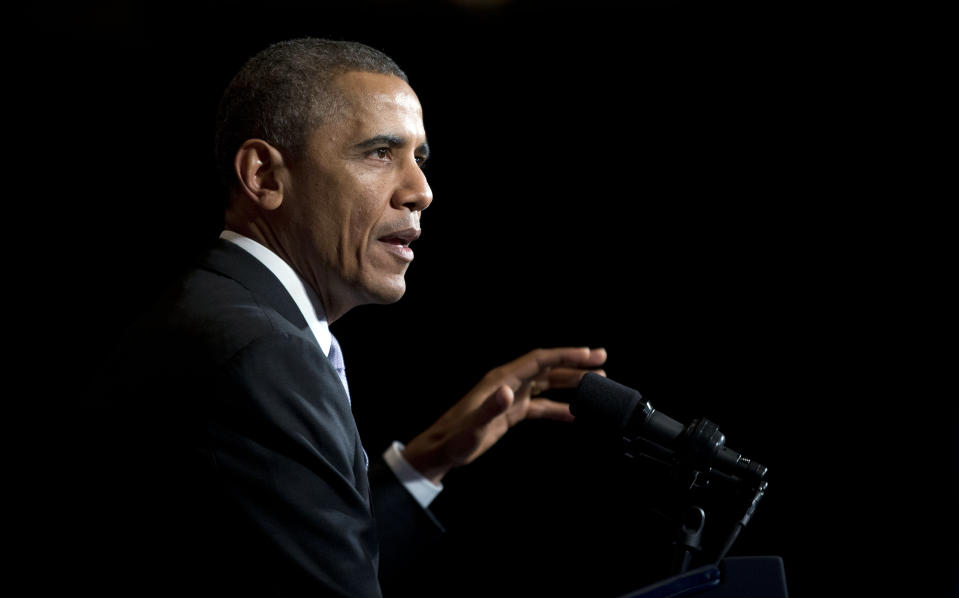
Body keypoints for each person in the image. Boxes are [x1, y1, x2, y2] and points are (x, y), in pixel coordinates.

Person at [88, 38, 607, 597]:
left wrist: (425, 462)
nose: (421, 192)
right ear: (264, 176)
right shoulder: (263, 353)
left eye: (420, 158)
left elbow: (308, 558)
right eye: (380, 153)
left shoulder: (221, 314)